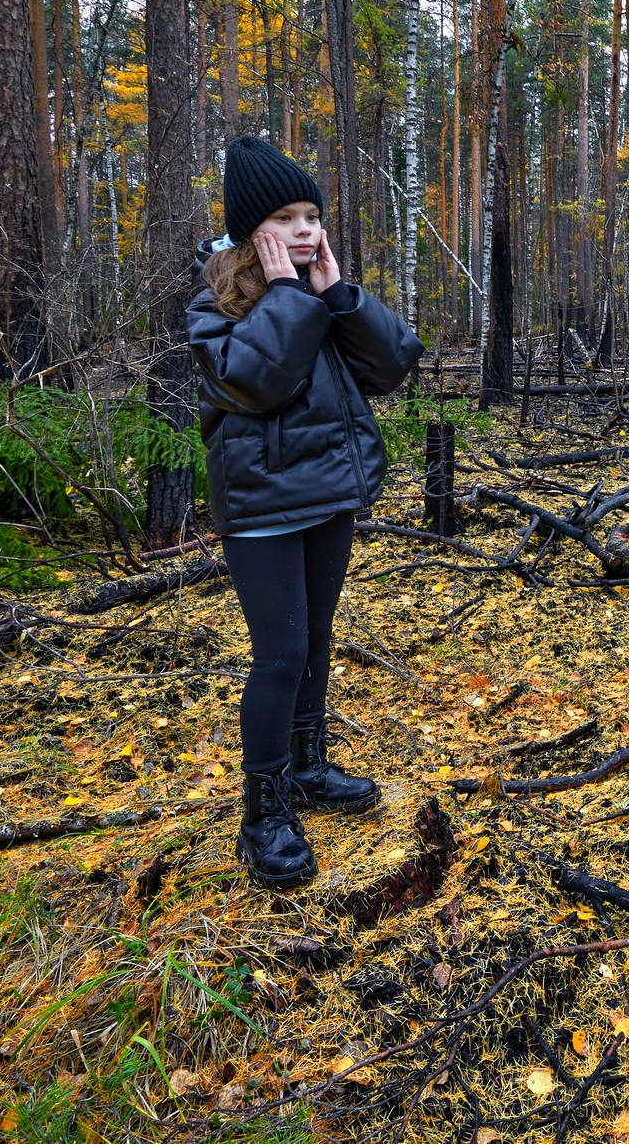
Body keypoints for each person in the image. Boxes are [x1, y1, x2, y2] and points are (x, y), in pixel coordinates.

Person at [188, 136, 424, 889]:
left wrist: (339, 293)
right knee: (280, 654)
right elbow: (254, 381)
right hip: (262, 507)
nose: (304, 229)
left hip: (328, 494)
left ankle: (309, 766)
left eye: (313, 215)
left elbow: (391, 365)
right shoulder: (215, 303)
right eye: (287, 216)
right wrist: (293, 296)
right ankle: (264, 813)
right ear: (252, 229)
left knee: (316, 638)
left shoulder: (318, 293)